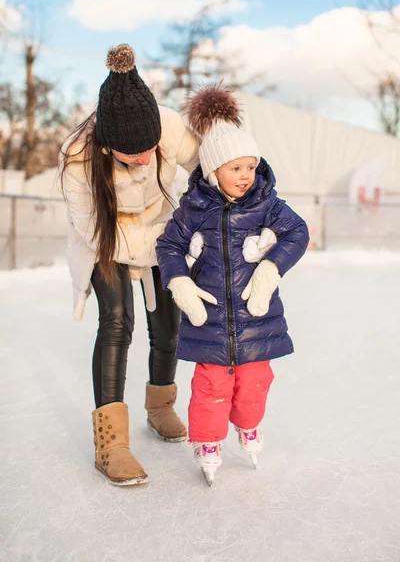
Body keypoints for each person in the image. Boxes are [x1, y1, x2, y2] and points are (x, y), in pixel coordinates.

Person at [59, 44, 200, 486]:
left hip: (161, 232)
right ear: (108, 145)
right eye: (131, 154)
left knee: (168, 324)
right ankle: (111, 444)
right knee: (118, 320)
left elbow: (204, 166)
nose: (144, 158)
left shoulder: (170, 125)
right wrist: (141, 254)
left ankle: (160, 408)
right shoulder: (78, 156)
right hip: (105, 239)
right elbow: (90, 228)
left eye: (149, 149)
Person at [156, 86, 310, 485]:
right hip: (208, 317)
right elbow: (169, 244)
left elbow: (297, 232)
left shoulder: (267, 203)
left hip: (256, 315)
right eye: (236, 168)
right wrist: (179, 282)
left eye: (251, 166)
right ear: (213, 171)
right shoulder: (195, 207)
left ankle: (248, 425)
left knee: (256, 381)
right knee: (210, 384)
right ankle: (208, 441)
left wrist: (271, 269)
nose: (246, 176)